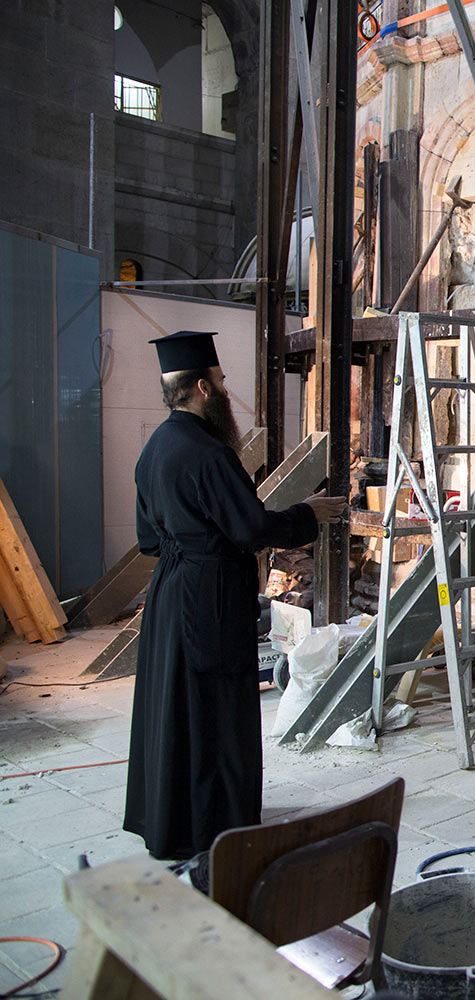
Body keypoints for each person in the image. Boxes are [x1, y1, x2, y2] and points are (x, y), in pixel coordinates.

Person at [123, 330, 347, 863]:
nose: (225, 391)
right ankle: (216, 825)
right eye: (221, 382)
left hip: (170, 594)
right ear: (203, 387)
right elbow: (249, 529)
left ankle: (170, 822)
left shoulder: (154, 449)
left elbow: (148, 539)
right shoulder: (209, 453)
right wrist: (306, 515)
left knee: (176, 706)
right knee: (216, 708)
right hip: (210, 596)